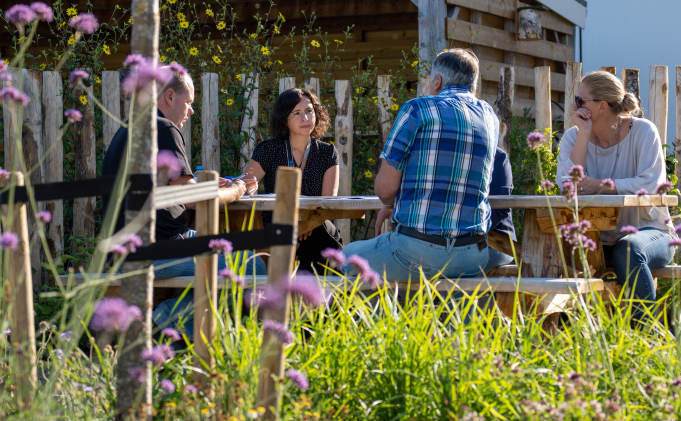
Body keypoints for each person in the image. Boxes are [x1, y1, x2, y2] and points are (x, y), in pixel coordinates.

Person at [101, 67, 266, 339]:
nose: (190, 112)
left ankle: (176, 333)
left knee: (230, 251)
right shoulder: (163, 127)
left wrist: (213, 185)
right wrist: (237, 190)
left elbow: (176, 191)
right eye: (188, 102)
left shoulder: (128, 130)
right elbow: (192, 199)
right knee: (254, 267)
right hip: (152, 250)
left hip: (129, 246)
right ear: (169, 96)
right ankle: (159, 324)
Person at [341, 48, 499, 280]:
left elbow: (384, 192)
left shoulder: (418, 109)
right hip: (473, 255)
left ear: (438, 81)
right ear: (472, 85)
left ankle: (382, 317)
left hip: (417, 252)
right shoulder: (489, 116)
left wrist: (395, 202)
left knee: (347, 256)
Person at [555, 70, 675, 314]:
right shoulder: (573, 137)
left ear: (601, 106)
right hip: (598, 240)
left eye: (580, 100)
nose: (574, 106)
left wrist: (601, 185)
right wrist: (584, 134)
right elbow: (567, 186)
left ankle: (646, 337)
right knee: (559, 255)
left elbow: (650, 185)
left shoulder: (643, 132)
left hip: (651, 233)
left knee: (628, 250)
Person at [241, 87, 343, 272]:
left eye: (309, 111)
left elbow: (329, 202)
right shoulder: (269, 149)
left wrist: (306, 223)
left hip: (315, 223)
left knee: (320, 235)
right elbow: (245, 184)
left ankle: (316, 297)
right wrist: (248, 187)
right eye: (297, 113)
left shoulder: (328, 153)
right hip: (276, 224)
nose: (305, 118)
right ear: (284, 119)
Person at [485, 147, 517, 274]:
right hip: (458, 242)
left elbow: (501, 209)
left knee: (452, 271)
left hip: (499, 243)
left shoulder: (497, 156)